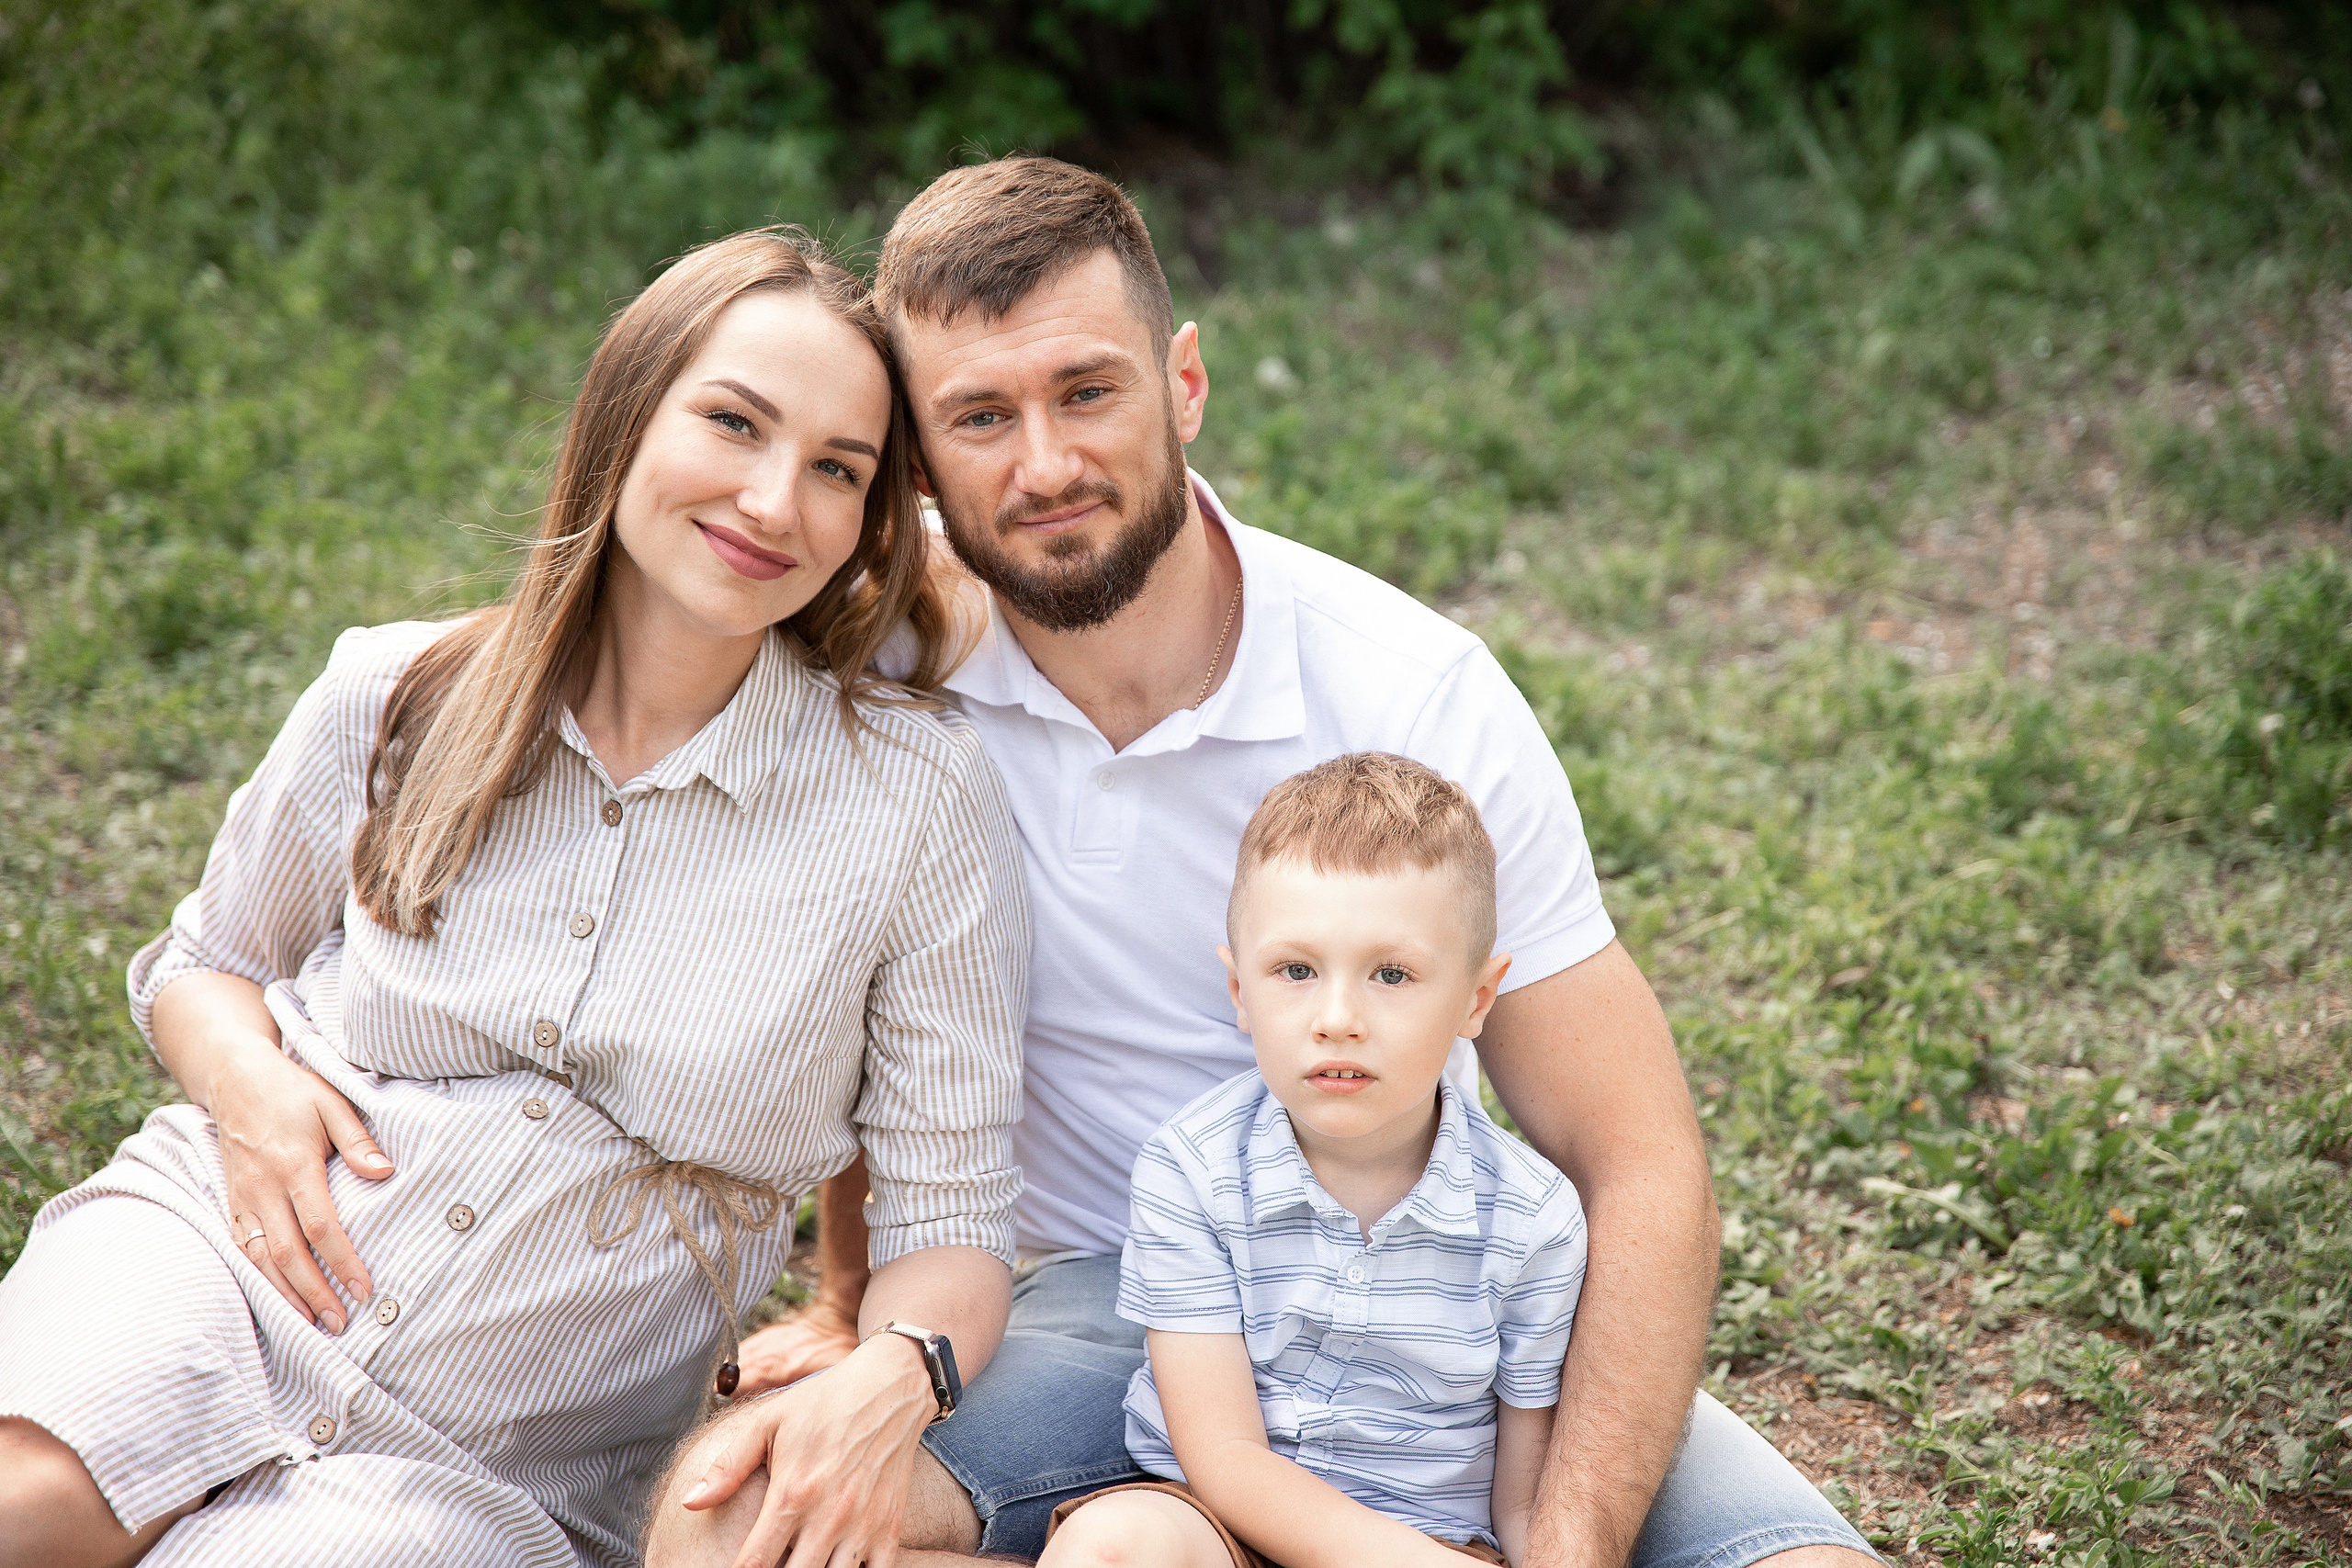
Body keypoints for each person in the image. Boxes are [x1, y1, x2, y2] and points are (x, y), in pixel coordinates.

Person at [694, 156, 1881, 1568]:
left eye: (1089, 390)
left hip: (1429, 1310)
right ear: (918, 459)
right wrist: (345, 1031)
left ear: (1182, 383)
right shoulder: (875, 661)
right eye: (980, 418)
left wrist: (1564, 1541)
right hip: (1093, 1301)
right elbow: (587, 653)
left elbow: (1637, 1156)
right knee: (732, 1531)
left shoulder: (1411, 688)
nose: (1047, 463)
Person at [0, 228, 1029, 1568]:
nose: (776, 501)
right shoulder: (395, 687)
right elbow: (205, 962)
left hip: (510, 1451)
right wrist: (250, 1092)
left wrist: (896, 1368)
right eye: (732, 422)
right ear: (624, 415)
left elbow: (948, 1217)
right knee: (29, 1503)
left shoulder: (915, 797)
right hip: (214, 1264)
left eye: (837, 469)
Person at [1040, 752, 1586, 1568]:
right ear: (1238, 990)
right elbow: (1222, 1456)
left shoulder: (1532, 1216)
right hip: (1222, 1526)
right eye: (1295, 970)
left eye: (1391, 974)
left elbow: (1524, 1494)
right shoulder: (1191, 1170)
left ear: (1476, 998)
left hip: (1432, 1538)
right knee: (1111, 1545)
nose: (1337, 1018)